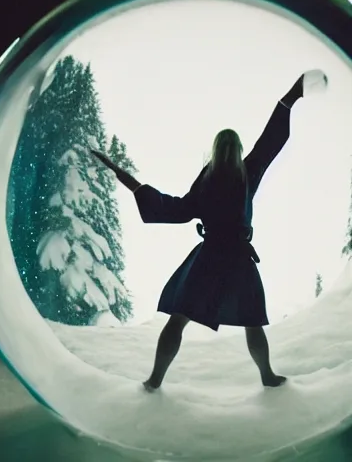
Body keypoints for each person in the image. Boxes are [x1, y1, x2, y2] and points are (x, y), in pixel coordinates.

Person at [89, 72, 319, 391]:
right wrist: (290, 98)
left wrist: (119, 173)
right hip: (232, 256)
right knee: (246, 321)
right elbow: (270, 142)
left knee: (183, 319)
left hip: (213, 257)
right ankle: (262, 375)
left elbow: (170, 207)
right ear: (237, 150)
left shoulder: (213, 184)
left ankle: (157, 379)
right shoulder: (241, 174)